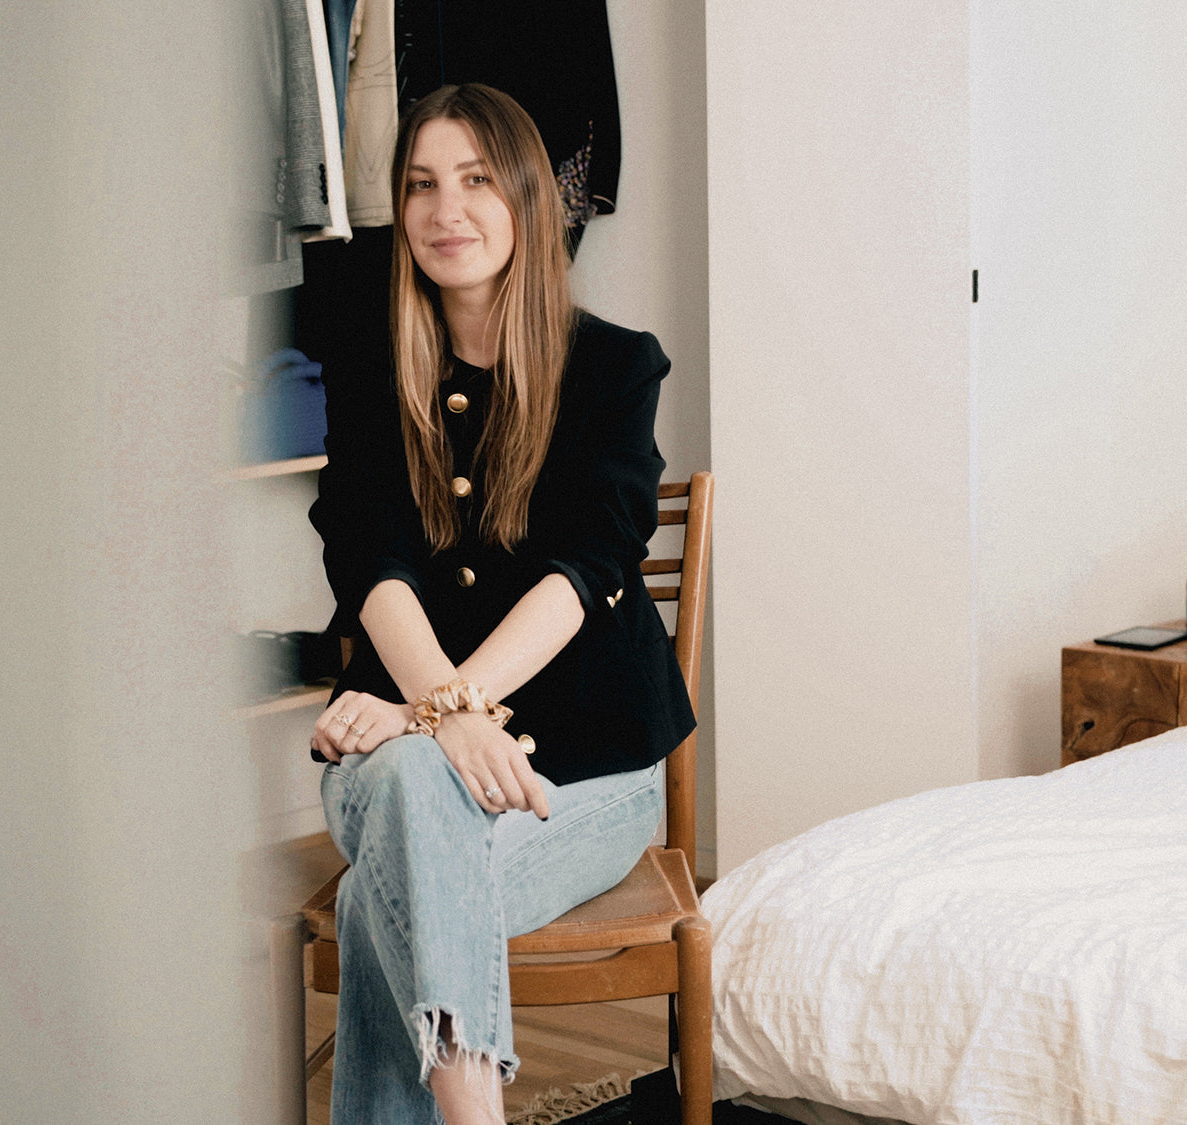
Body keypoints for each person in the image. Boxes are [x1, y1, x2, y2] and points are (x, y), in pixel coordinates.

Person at [307, 83, 695, 1125]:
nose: (446, 211)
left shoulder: (614, 367)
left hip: (585, 774)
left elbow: (588, 566)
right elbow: (369, 551)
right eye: (420, 185)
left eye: (476, 180)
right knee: (414, 794)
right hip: (396, 760)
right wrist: (447, 721)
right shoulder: (369, 362)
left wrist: (429, 711)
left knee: (382, 883)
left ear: (526, 196)